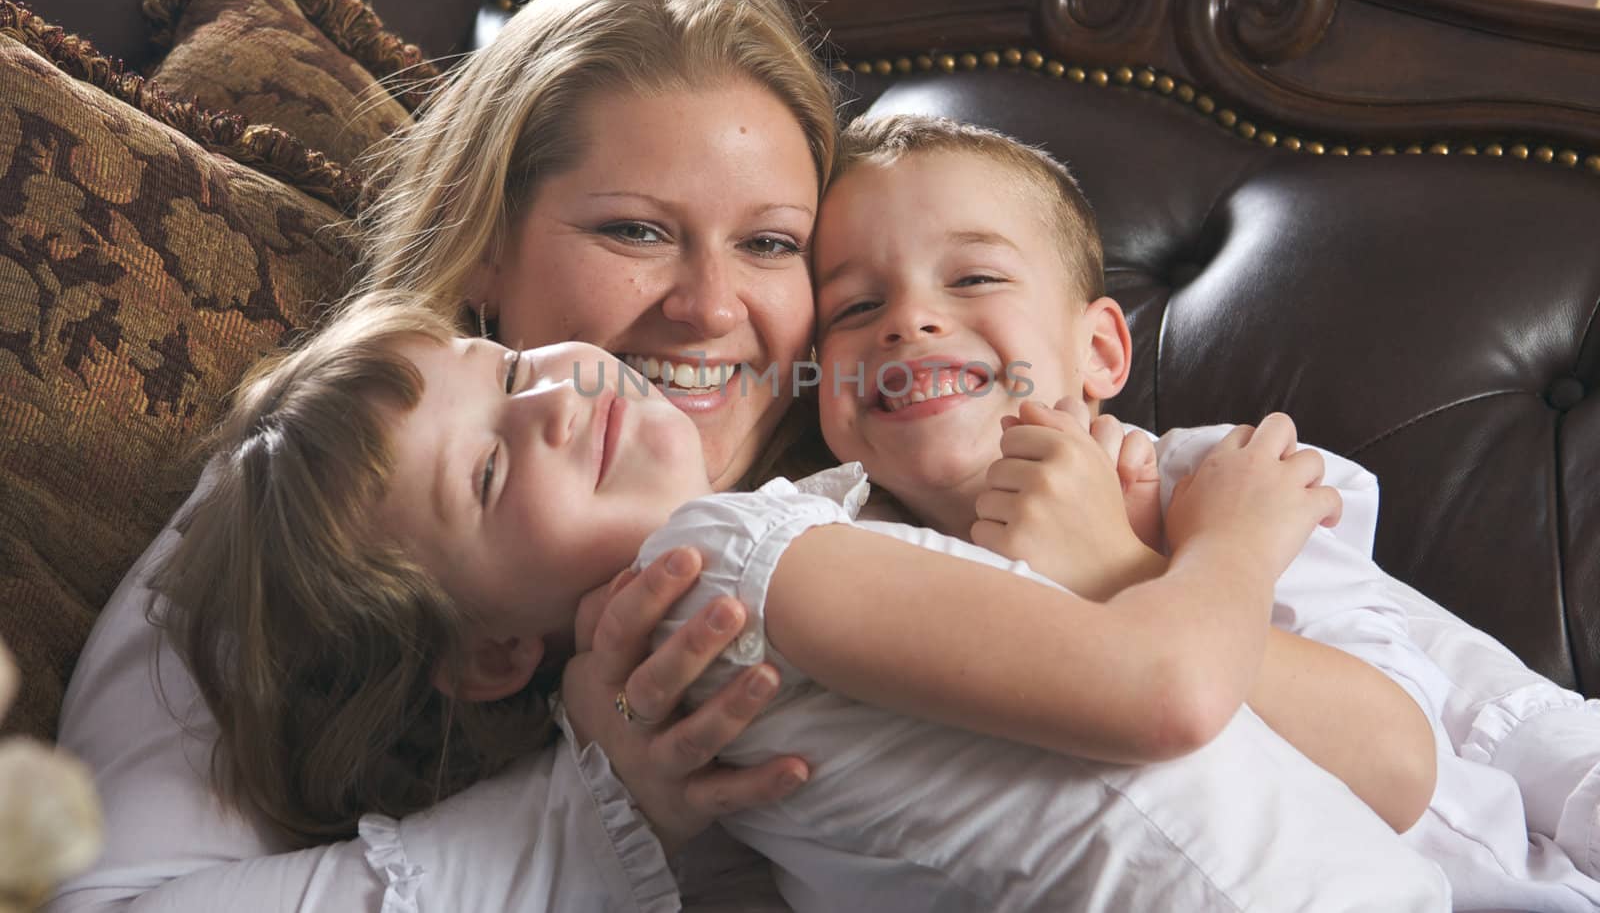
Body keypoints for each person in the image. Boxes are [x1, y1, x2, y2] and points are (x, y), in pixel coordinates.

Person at [149, 289, 1452, 912]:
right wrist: (1231, 539)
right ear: (494, 653)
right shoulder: (727, 558)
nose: (556, 398)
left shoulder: (752, 639)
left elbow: (1377, 771)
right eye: (486, 469)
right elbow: (1165, 692)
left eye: (501, 362)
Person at [48, 0, 837, 912]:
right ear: (485, 247)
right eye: (635, 231)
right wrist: (589, 811)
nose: (712, 309)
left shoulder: (876, 438)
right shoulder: (328, 496)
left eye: (769, 244)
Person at [809, 112, 1600, 910]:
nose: (908, 321)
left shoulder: (1217, 487)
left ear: (1101, 352)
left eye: (974, 278)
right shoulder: (848, 558)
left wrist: (1118, 568)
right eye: (852, 308)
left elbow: (1395, 768)